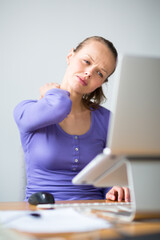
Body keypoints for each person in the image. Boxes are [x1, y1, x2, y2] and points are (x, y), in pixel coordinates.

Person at [14, 36, 130, 202]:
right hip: (44, 212)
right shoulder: (26, 111)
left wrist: (114, 190)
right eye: (86, 61)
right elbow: (58, 107)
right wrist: (53, 95)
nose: (89, 72)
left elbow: (108, 180)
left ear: (101, 83)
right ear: (70, 56)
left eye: (99, 73)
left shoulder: (106, 119)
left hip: (95, 214)